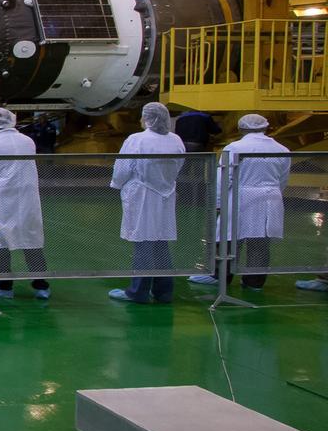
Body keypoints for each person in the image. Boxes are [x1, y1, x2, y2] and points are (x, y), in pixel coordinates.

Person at [189, 114, 290, 291]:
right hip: (270, 199)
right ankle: (254, 282)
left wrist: (217, 203)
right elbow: (283, 178)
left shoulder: (234, 148)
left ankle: (219, 276)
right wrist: (273, 193)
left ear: (241, 128)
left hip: (240, 196)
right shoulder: (282, 149)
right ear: (265, 127)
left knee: (228, 238)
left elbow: (223, 178)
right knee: (260, 241)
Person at [109, 102, 186, 303]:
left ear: (147, 118)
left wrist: (117, 184)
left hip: (142, 196)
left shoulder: (137, 140)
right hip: (166, 195)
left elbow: (123, 168)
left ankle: (138, 292)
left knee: (143, 243)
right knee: (161, 243)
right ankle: (164, 291)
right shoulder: (176, 140)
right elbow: (179, 165)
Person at [0, 108, 51, 300]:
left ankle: (4, 286)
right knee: (31, 239)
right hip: (26, 198)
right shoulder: (28, 141)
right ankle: (41, 285)